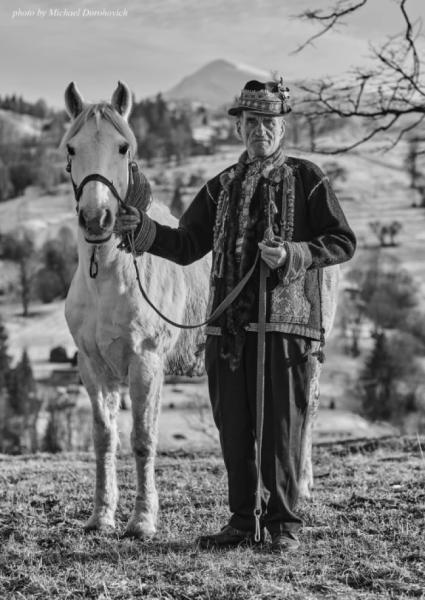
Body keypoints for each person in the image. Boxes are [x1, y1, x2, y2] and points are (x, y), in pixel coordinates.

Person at [115, 78, 356, 552]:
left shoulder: (307, 179)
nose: (259, 131)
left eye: (268, 123)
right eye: (251, 123)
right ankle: (243, 522)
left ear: (281, 127)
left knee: (281, 427)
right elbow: (185, 245)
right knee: (233, 426)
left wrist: (294, 255)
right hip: (227, 327)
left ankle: (283, 524)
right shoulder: (220, 186)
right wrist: (143, 230)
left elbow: (342, 241)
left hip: (286, 325)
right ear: (239, 128)